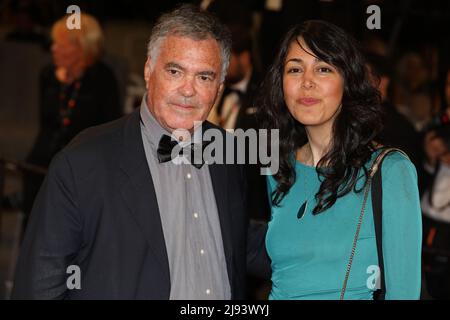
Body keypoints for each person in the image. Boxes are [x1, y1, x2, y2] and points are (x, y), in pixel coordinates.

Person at [12, 5, 256, 299]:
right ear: (148, 71)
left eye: (204, 77)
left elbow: (241, 244)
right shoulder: (82, 162)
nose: (188, 89)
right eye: (175, 71)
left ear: (219, 88)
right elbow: (39, 288)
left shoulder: (231, 153)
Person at [257, 20, 422, 300]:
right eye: (295, 69)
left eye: (323, 69)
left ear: (348, 81)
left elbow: (404, 292)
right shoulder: (278, 168)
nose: (306, 82)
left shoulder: (389, 170)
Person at [22, 13, 122, 231]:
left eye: (62, 44)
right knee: (35, 228)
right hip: (41, 167)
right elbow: (46, 126)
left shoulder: (102, 78)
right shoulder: (48, 75)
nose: (53, 48)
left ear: (82, 47)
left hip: (82, 171)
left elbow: (110, 130)